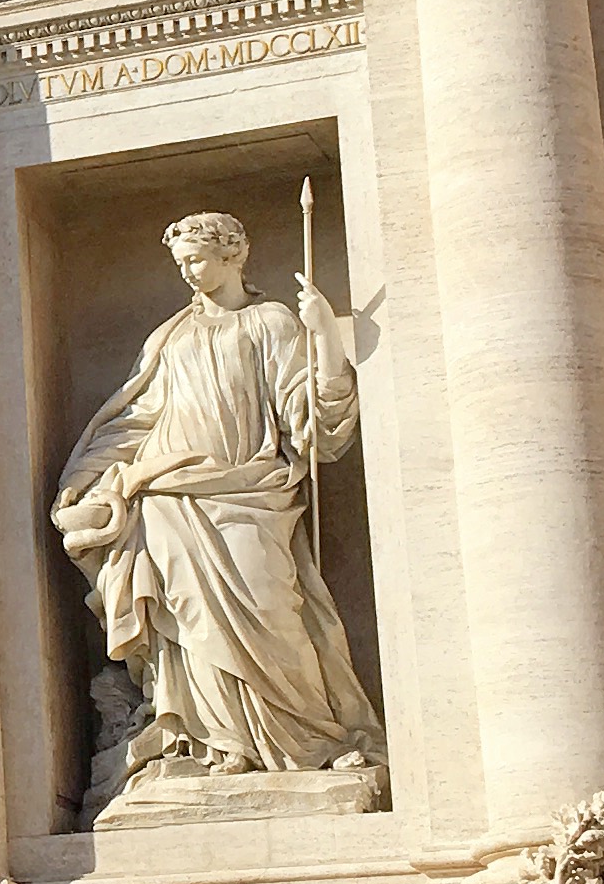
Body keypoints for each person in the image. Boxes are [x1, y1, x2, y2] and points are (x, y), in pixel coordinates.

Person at [53, 210, 382, 795]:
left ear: (234, 254)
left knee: (272, 608)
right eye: (180, 264)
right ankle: (217, 740)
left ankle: (309, 737)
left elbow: (315, 423)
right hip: (169, 495)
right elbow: (135, 418)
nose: (187, 273)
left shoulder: (271, 322)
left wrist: (326, 339)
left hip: (250, 491)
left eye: (197, 259)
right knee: (188, 615)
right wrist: (84, 477)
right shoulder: (171, 336)